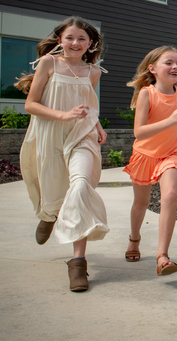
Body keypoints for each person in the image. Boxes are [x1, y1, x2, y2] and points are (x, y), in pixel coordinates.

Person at [16, 16, 109, 292]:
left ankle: (78, 263)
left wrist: (98, 125)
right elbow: (30, 105)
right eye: (70, 37)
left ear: (90, 43)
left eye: (82, 39)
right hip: (50, 135)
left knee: (80, 187)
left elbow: (86, 105)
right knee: (55, 191)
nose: (75, 43)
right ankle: (48, 215)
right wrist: (63, 115)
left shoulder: (92, 72)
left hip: (82, 136)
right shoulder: (49, 64)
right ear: (60, 40)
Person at [122, 46, 177, 276]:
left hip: (171, 153)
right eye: (169, 63)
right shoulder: (147, 94)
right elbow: (139, 131)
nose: (175, 67)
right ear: (153, 68)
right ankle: (134, 239)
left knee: (169, 195)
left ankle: (162, 256)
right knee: (141, 203)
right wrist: (171, 120)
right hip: (145, 155)